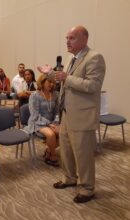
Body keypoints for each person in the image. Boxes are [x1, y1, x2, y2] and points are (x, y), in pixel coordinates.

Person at [38, 25, 106, 203]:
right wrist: (51, 74)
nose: (67, 41)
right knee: (66, 149)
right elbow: (64, 80)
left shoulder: (95, 58)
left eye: (72, 38)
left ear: (84, 39)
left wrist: (66, 77)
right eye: (67, 38)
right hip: (67, 114)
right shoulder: (71, 58)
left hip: (82, 115)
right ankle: (69, 178)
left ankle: (87, 188)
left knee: (83, 153)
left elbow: (93, 86)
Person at [24, 74, 59, 166]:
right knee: (51, 134)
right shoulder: (34, 95)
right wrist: (48, 124)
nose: (51, 84)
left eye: (53, 83)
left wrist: (55, 123)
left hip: (52, 122)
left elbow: (57, 112)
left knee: (63, 133)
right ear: (42, 82)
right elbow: (34, 114)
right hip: (37, 122)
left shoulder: (55, 94)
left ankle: (48, 151)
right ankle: (53, 156)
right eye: (49, 82)